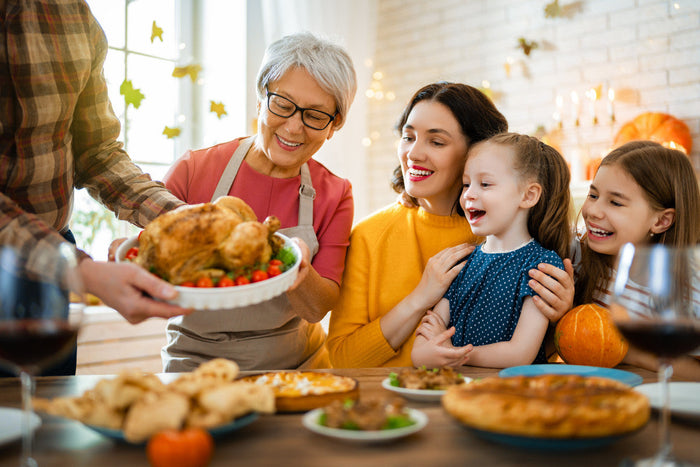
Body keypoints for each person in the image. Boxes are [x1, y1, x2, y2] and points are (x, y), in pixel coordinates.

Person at [0, 0, 190, 376]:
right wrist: (81, 272)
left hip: (54, 270)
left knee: (45, 422)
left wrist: (179, 219)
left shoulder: (74, 14)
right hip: (61, 265)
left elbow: (97, 151)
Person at [326, 82, 574, 368]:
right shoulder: (370, 235)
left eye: (436, 141)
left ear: (475, 150)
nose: (413, 154)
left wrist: (561, 318)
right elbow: (343, 359)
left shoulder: (504, 234)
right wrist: (420, 298)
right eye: (408, 137)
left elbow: (535, 355)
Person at [160, 32, 357, 371]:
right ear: (260, 98)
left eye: (314, 115)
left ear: (334, 124)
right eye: (282, 104)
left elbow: (315, 309)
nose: (294, 128)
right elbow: (154, 274)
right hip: (195, 364)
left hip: (298, 368)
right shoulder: (193, 170)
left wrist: (298, 268)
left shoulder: (335, 193)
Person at [411, 133, 572, 368]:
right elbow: (420, 351)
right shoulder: (463, 263)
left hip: (513, 395)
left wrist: (454, 353)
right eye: (466, 184)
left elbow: (520, 354)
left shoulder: (542, 266)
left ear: (528, 195)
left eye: (485, 184)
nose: (468, 195)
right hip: (457, 394)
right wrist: (436, 351)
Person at [569, 141, 700, 378]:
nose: (593, 211)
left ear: (661, 221)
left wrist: (624, 348)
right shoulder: (574, 255)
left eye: (615, 202)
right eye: (593, 194)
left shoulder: (689, 290)